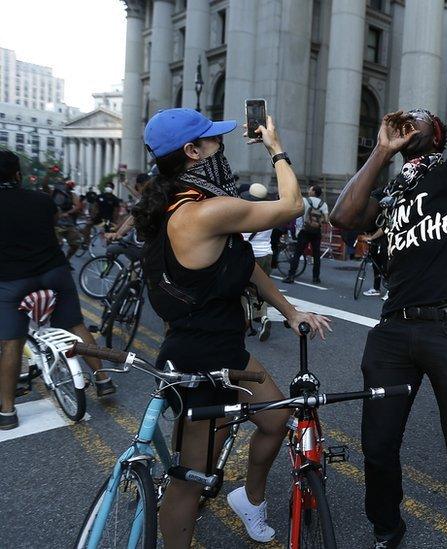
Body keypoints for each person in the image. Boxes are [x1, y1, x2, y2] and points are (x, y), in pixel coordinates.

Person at [329, 2, 447, 546]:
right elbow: (342, 218)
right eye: (404, 119)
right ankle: (387, 526)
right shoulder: (392, 190)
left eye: (420, 118)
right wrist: (381, 151)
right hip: (394, 330)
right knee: (378, 445)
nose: (410, 120)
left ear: (441, 135)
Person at [134, 108, 331, 545]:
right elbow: (292, 206)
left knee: (277, 418)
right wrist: (275, 148)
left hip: (224, 351)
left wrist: (289, 310)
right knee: (192, 478)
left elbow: (243, 266)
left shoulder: (184, 201)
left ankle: (250, 498)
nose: (221, 147)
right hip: (198, 358)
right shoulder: (204, 212)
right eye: (213, 140)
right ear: (192, 152)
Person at [0, 151, 116, 430]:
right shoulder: (42, 201)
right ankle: (102, 379)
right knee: (75, 324)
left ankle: (7, 411)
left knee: (11, 342)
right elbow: (48, 230)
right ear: (18, 175)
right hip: (54, 272)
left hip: (12, 280)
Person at [242, 183, 274, 341]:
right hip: (266, 254)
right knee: (261, 289)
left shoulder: (245, 211)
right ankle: (263, 318)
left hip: (249, 254)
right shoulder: (271, 212)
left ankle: (245, 320)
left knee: (242, 288)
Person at [283, 184, 328, 285]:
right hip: (316, 232)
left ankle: (291, 276)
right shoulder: (323, 204)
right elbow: (326, 219)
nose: (309, 190)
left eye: (310, 189)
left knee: (297, 254)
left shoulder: (305, 201)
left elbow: (297, 211)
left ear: (313, 192)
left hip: (304, 231)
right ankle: (316, 278)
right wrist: (317, 222)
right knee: (316, 256)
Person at [52, 180, 84, 258]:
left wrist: (68, 213)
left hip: (68, 223)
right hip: (55, 224)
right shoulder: (54, 193)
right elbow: (45, 185)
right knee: (58, 244)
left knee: (76, 243)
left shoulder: (72, 195)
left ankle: (67, 260)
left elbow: (78, 206)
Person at [361, 228, 386, 298]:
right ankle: (376, 288)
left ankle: (389, 291)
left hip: (386, 241)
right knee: (376, 266)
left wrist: (371, 237)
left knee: (386, 266)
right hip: (376, 242)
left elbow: (384, 228)